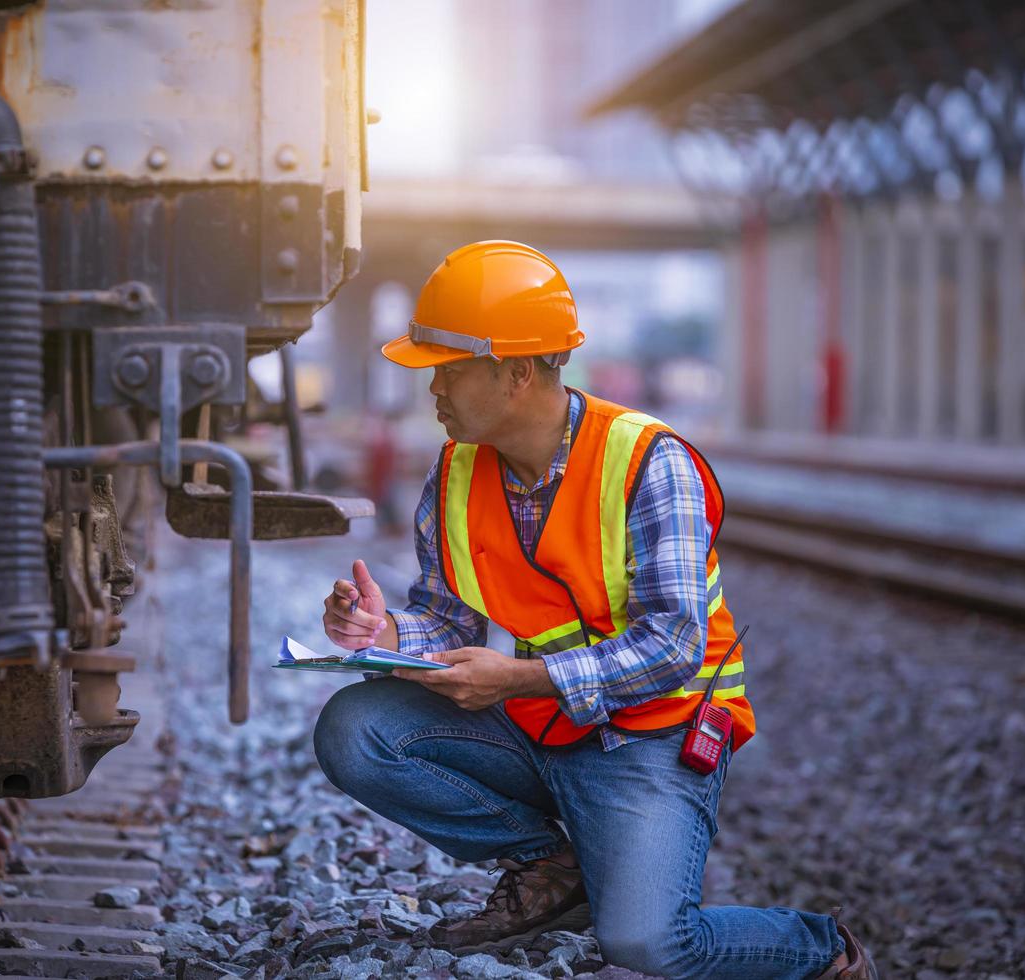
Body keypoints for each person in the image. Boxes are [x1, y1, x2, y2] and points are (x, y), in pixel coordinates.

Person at [312, 241, 876, 979]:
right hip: (541, 727)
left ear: (515, 373)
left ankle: (821, 950)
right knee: (357, 729)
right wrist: (381, 632)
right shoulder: (454, 471)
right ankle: (553, 867)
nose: (433, 391)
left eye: (446, 370)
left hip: (650, 737)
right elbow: (449, 622)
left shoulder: (647, 462)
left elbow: (674, 645)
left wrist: (518, 680)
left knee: (648, 945)